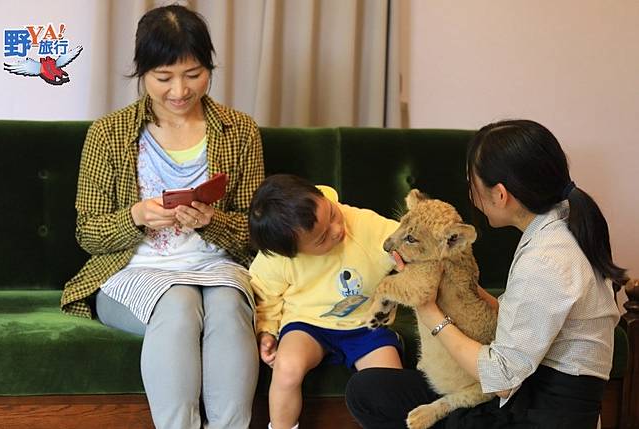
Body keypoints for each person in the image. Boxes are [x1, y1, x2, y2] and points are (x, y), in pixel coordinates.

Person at [345, 119, 626, 429]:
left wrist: (429, 311)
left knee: (370, 396)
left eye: (472, 184)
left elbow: (501, 378)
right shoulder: (561, 225)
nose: (471, 194)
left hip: (537, 411)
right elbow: (525, 321)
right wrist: (465, 286)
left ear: (501, 194)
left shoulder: (546, 260)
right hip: (528, 388)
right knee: (369, 388)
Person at [60, 5, 264, 429]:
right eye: (163, 77)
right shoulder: (109, 133)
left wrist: (212, 221)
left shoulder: (240, 130)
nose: (179, 91)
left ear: (209, 67)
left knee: (228, 308)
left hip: (218, 267)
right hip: (134, 270)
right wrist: (136, 216)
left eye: (193, 75)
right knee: (178, 302)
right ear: (142, 72)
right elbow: (88, 233)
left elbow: (256, 233)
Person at [248, 174, 404, 429]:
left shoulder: (362, 223)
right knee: (286, 368)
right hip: (307, 323)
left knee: (389, 383)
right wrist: (266, 330)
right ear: (293, 253)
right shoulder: (277, 258)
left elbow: (401, 238)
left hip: (366, 324)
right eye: (321, 239)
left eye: (332, 213)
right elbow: (264, 295)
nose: (337, 229)